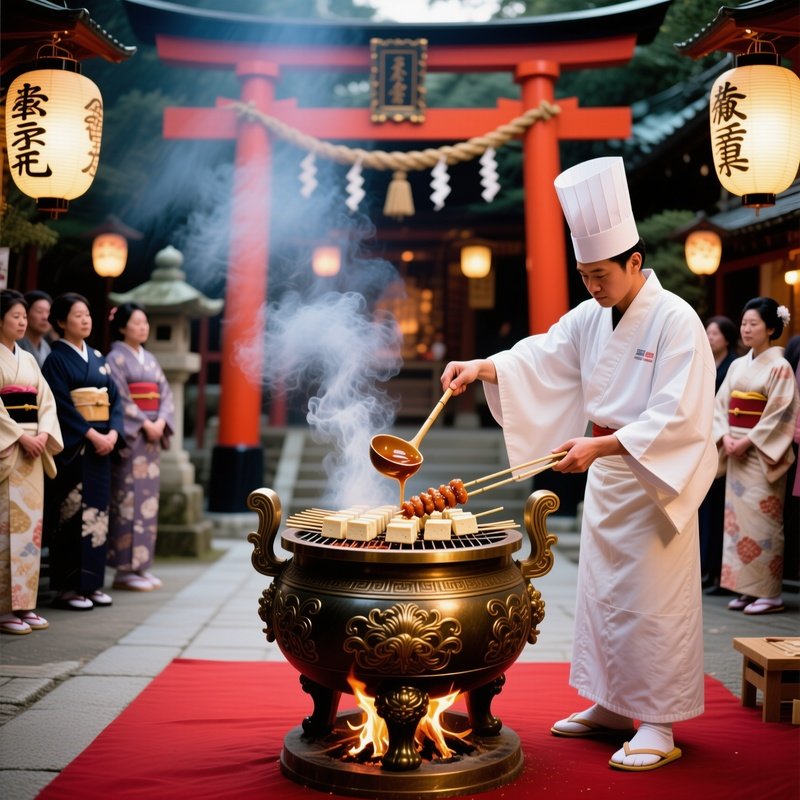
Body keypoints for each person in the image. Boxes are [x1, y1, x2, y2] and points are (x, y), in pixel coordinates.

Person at [441, 157, 717, 772]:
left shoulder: (677, 321)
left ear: (635, 264)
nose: (592, 286)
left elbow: (680, 416)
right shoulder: (591, 315)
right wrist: (482, 366)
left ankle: (656, 720)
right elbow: (543, 354)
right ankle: (611, 704)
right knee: (603, 595)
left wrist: (601, 446)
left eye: (600, 275)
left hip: (651, 480)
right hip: (609, 477)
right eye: (584, 275)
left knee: (650, 600)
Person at [713, 299, 800, 615]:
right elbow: (720, 406)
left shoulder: (780, 366)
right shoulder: (738, 365)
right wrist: (725, 436)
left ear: (771, 328)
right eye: (744, 323)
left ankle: (770, 593)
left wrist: (748, 440)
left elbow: (782, 413)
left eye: (754, 324)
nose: (746, 329)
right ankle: (746, 589)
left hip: (761, 454)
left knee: (764, 521)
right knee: (737, 522)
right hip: (735, 450)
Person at [42, 293, 125, 611]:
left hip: (101, 447)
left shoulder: (98, 357)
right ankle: (67, 587)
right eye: (77, 315)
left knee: (98, 514)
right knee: (72, 513)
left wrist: (113, 433)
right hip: (77, 448)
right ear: (61, 322)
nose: (85, 320)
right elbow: (59, 403)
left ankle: (91, 584)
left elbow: (114, 400)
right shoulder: (56, 360)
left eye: (87, 314)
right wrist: (90, 433)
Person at [0, 290, 63, 634]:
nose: (22, 321)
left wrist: (41, 434)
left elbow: (47, 402)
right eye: (16, 316)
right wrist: (20, 435)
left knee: (30, 532)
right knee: (5, 531)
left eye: (25, 316)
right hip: (9, 450)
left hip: (33, 452)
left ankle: (25, 604)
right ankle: (4, 608)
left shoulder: (27, 359)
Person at [106, 303, 175, 591]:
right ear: (122, 327)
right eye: (136, 323)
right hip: (134, 438)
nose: (143, 327)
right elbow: (119, 397)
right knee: (127, 499)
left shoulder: (150, 360)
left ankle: (141, 566)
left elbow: (165, 394)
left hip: (150, 440)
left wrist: (160, 421)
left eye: (145, 322)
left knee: (147, 501)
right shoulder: (115, 359)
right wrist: (146, 424)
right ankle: (124, 569)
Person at [699, 315, 739, 594]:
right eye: (707, 332)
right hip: (704, 437)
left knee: (721, 510)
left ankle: (717, 571)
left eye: (715, 333)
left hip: (727, 441)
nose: (709, 336)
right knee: (704, 507)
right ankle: (704, 568)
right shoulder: (702, 361)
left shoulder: (733, 366)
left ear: (727, 337)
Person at [17, 290, 54, 369]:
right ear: (25, 313)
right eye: (39, 311)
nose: (45, 317)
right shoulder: (16, 343)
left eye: (48, 312)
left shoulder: (46, 347)